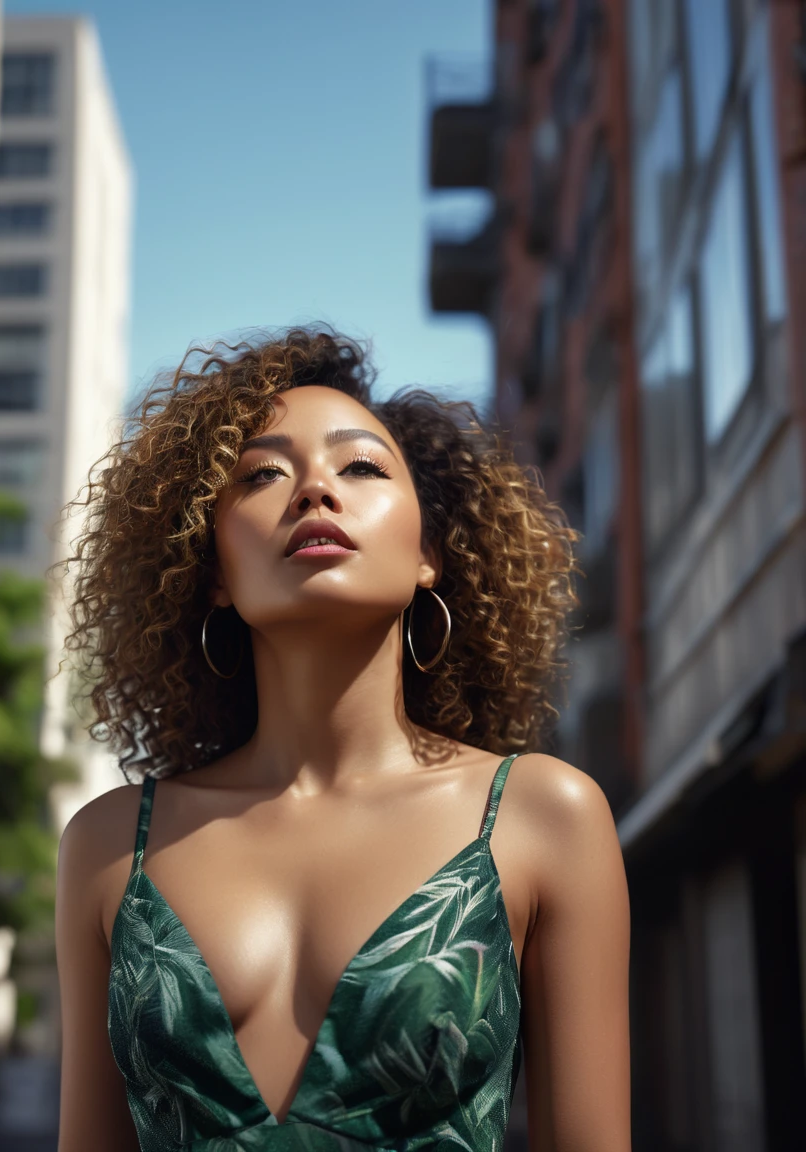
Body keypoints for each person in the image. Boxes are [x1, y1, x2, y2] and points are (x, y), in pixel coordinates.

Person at [54, 328, 630, 1151]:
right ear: (210, 567)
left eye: (360, 466)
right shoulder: (110, 848)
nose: (314, 490)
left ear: (430, 552)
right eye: (262, 474)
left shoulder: (544, 818)